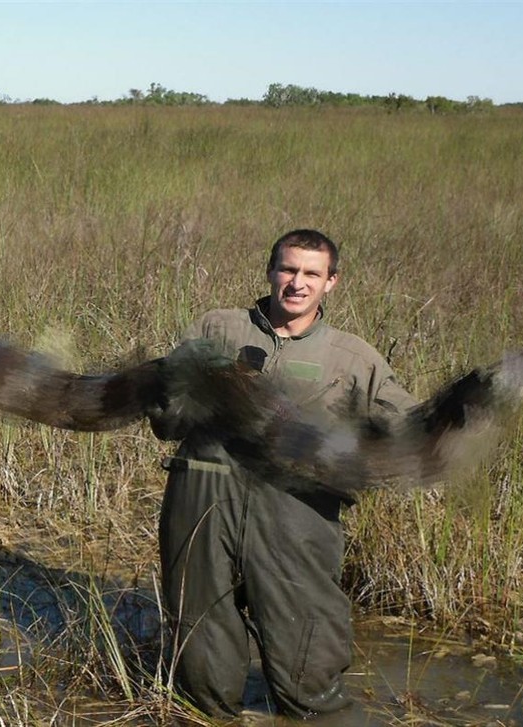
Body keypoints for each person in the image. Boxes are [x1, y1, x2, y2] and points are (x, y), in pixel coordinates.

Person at [149, 229, 418, 718]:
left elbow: (407, 431)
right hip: (204, 490)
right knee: (199, 630)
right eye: (289, 269)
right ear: (271, 271)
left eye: (312, 273)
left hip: (296, 509)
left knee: (307, 655)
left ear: (331, 282)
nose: (298, 283)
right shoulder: (218, 328)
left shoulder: (353, 358)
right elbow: (167, 417)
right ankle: (210, 714)